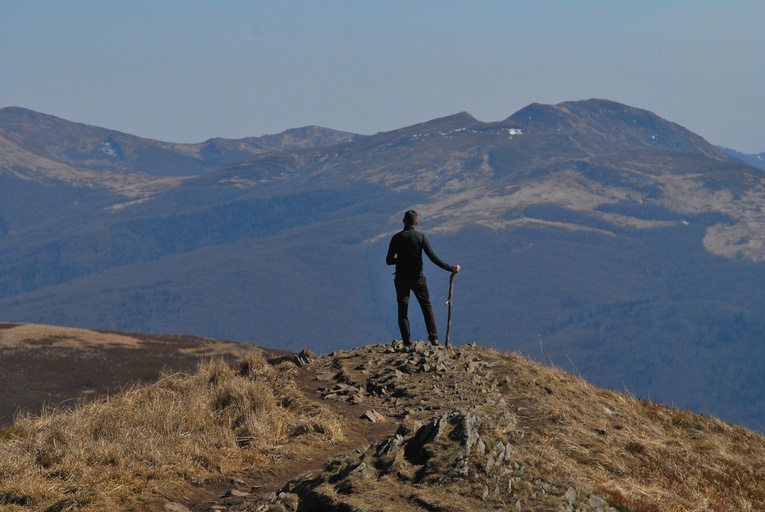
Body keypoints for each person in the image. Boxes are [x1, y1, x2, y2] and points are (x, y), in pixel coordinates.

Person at [386, 210, 460, 345]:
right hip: (418, 278)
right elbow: (433, 258)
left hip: (401, 278)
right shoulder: (420, 237)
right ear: (416, 223)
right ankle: (434, 339)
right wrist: (450, 268)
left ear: (403, 221)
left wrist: (402, 260)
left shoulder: (396, 238)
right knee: (426, 306)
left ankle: (407, 342)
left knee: (402, 310)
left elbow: (389, 260)